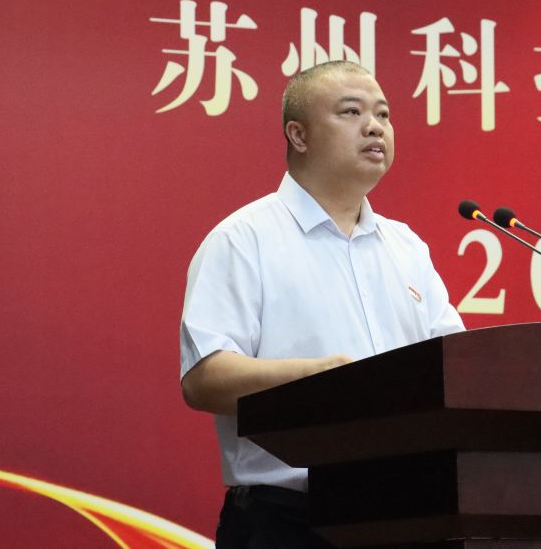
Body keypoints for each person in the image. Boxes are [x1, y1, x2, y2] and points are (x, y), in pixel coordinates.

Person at [179, 60, 465, 548]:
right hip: (288, 522)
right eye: (351, 112)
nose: (374, 126)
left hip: (409, 518)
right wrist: (321, 379)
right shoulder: (244, 239)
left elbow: (455, 367)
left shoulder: (406, 247)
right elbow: (204, 378)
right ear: (299, 135)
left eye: (383, 114)